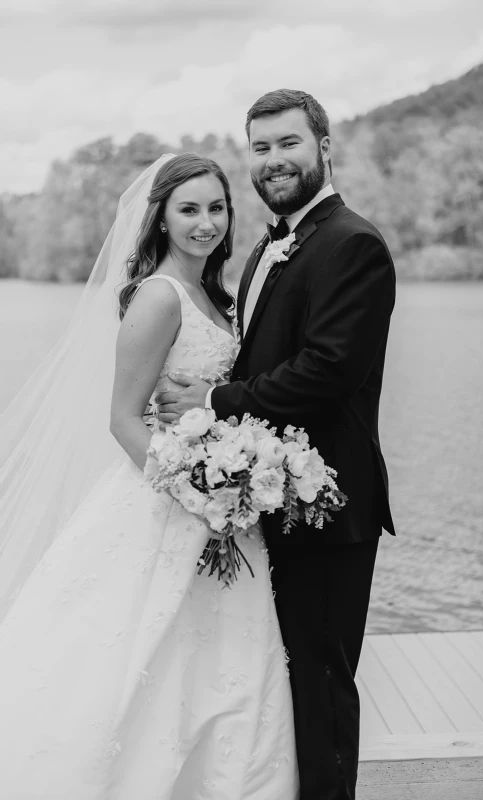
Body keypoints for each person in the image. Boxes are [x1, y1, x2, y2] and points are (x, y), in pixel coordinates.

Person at [0, 154, 298, 799]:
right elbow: (123, 419)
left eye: (216, 207)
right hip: (171, 503)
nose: (206, 223)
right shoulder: (158, 296)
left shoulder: (217, 297)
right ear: (159, 217)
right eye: (188, 209)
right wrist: (196, 494)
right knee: (136, 659)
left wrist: (233, 477)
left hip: (226, 508)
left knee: (222, 666)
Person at [157, 89, 396, 800]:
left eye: (288, 143)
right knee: (279, 680)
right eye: (260, 148)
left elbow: (326, 369)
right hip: (271, 501)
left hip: (327, 506)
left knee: (321, 683)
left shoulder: (352, 243)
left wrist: (211, 401)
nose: (273, 160)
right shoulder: (270, 243)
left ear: (324, 145)